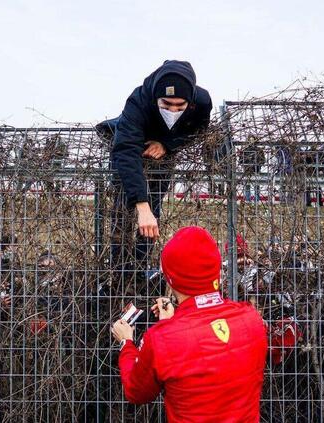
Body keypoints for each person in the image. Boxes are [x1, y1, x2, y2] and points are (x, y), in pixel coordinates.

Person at [111, 226, 268, 422]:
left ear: (171, 278)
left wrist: (126, 343)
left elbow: (136, 391)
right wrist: (172, 323)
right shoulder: (251, 319)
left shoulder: (162, 338)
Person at [97, 60, 212, 291]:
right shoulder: (138, 101)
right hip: (131, 142)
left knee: (154, 211)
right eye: (166, 104)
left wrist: (167, 144)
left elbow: (198, 130)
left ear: (190, 101)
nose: (172, 111)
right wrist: (141, 205)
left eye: (179, 106)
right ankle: (118, 271)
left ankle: (138, 271)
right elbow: (126, 151)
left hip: (162, 154)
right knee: (122, 211)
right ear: (155, 98)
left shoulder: (201, 101)